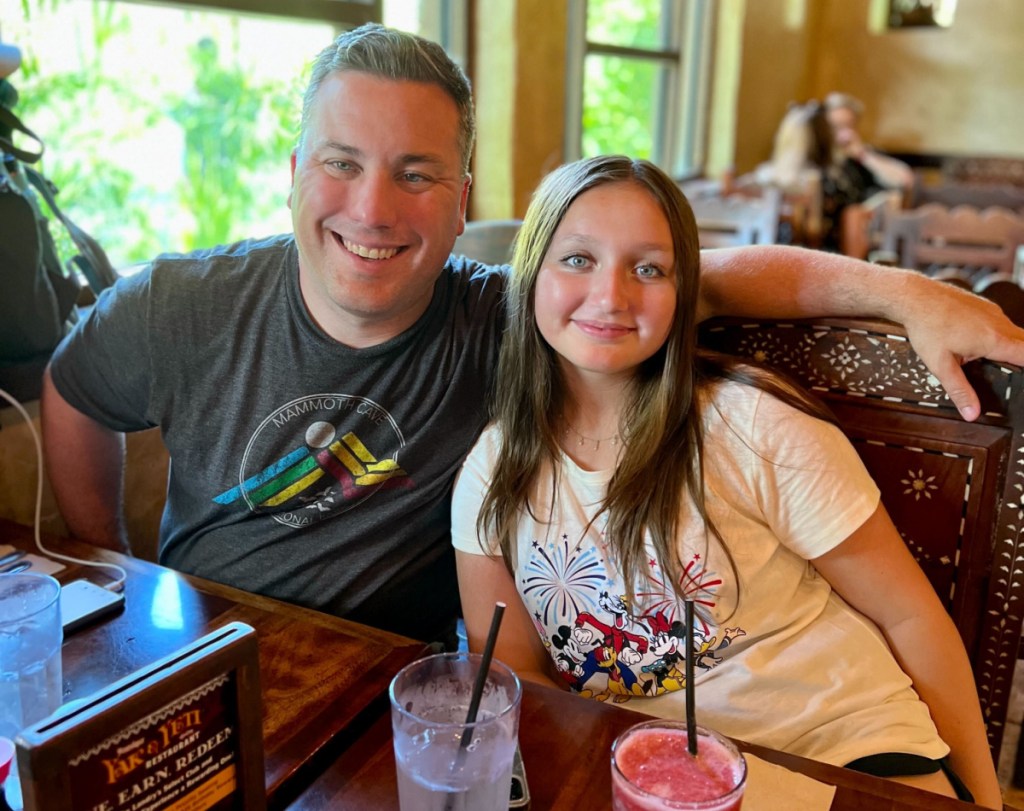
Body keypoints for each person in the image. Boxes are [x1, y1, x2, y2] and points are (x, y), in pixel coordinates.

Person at [40, 24, 1024, 645]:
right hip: (197, 647)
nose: (373, 208)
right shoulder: (180, 300)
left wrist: (904, 292)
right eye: (340, 163)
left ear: (462, 198)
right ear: (293, 172)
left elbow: (707, 274)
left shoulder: (506, 318)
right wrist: (110, 563)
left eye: (416, 174)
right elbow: (77, 387)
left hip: (394, 680)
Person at [451, 155, 1002, 807]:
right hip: (650, 769)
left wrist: (981, 798)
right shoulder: (491, 472)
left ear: (683, 292)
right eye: (577, 259)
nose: (610, 296)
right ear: (530, 276)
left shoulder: (751, 428)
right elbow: (516, 671)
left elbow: (910, 616)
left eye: (648, 269)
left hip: (836, 743)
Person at [824, 91, 915, 196]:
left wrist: (863, 156)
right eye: (837, 126)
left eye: (850, 125)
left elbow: (906, 180)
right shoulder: (821, 160)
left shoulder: (864, 153)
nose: (845, 133)